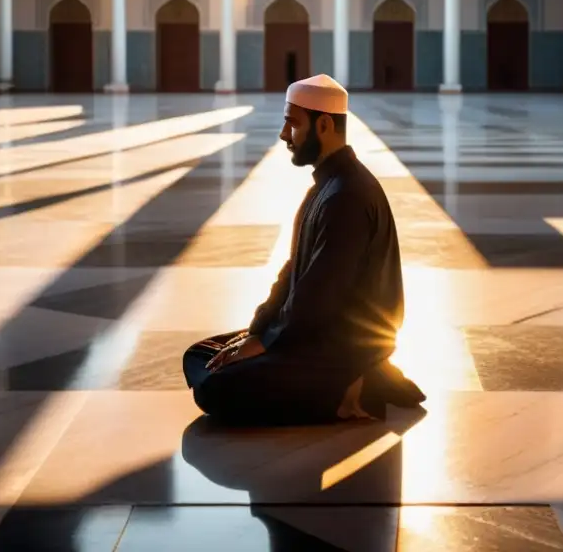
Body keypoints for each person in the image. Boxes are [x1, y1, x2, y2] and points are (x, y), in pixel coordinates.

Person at [182, 74, 425, 426]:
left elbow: (318, 297)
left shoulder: (348, 196)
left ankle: (354, 388)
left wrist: (266, 342)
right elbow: (293, 270)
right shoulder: (328, 186)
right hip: (311, 335)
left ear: (324, 124)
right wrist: (257, 331)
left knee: (215, 387)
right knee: (201, 355)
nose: (284, 135)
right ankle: (357, 380)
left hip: (338, 350)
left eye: (292, 123)